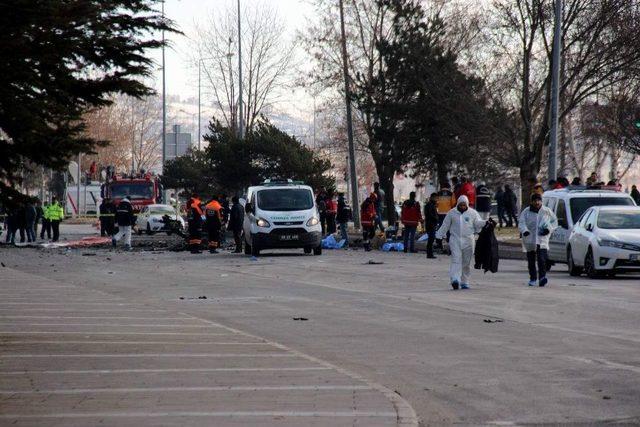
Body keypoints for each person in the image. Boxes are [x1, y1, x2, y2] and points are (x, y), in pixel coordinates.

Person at [436, 195, 488, 290]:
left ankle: (465, 281)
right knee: (456, 260)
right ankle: (455, 280)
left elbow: (478, 223)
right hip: (455, 240)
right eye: (461, 204)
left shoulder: (472, 213)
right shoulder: (452, 213)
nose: (462, 206)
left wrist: (486, 222)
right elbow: (445, 225)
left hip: (468, 240)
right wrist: (439, 236)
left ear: (467, 204)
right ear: (458, 204)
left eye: (464, 205)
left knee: (466, 262)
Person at [519, 193, 558, 287]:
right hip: (530, 240)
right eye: (535, 201)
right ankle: (533, 278)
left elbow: (554, 222)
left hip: (542, 239)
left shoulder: (546, 211)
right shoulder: (526, 212)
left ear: (541, 201)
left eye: (538, 200)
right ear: (531, 201)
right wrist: (525, 231)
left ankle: (542, 278)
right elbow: (521, 223)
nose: (537, 202)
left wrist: (549, 229)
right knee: (531, 260)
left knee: (542, 259)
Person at [423, 192, 439, 259]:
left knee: (431, 240)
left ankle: (430, 253)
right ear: (432, 197)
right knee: (431, 240)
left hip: (431, 224)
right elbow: (430, 215)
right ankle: (429, 254)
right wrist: (436, 219)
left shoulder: (432, 205)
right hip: (430, 224)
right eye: (435, 198)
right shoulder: (429, 205)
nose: (436, 199)